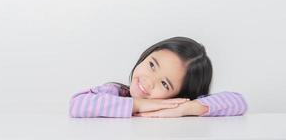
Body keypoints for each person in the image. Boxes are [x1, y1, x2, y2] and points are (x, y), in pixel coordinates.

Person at [69, 36, 248, 118]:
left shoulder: (179, 105)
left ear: (180, 94)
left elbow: (239, 102)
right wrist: (139, 104)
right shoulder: (116, 93)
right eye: (152, 65)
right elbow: (76, 104)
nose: (149, 80)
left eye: (164, 83)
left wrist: (186, 109)